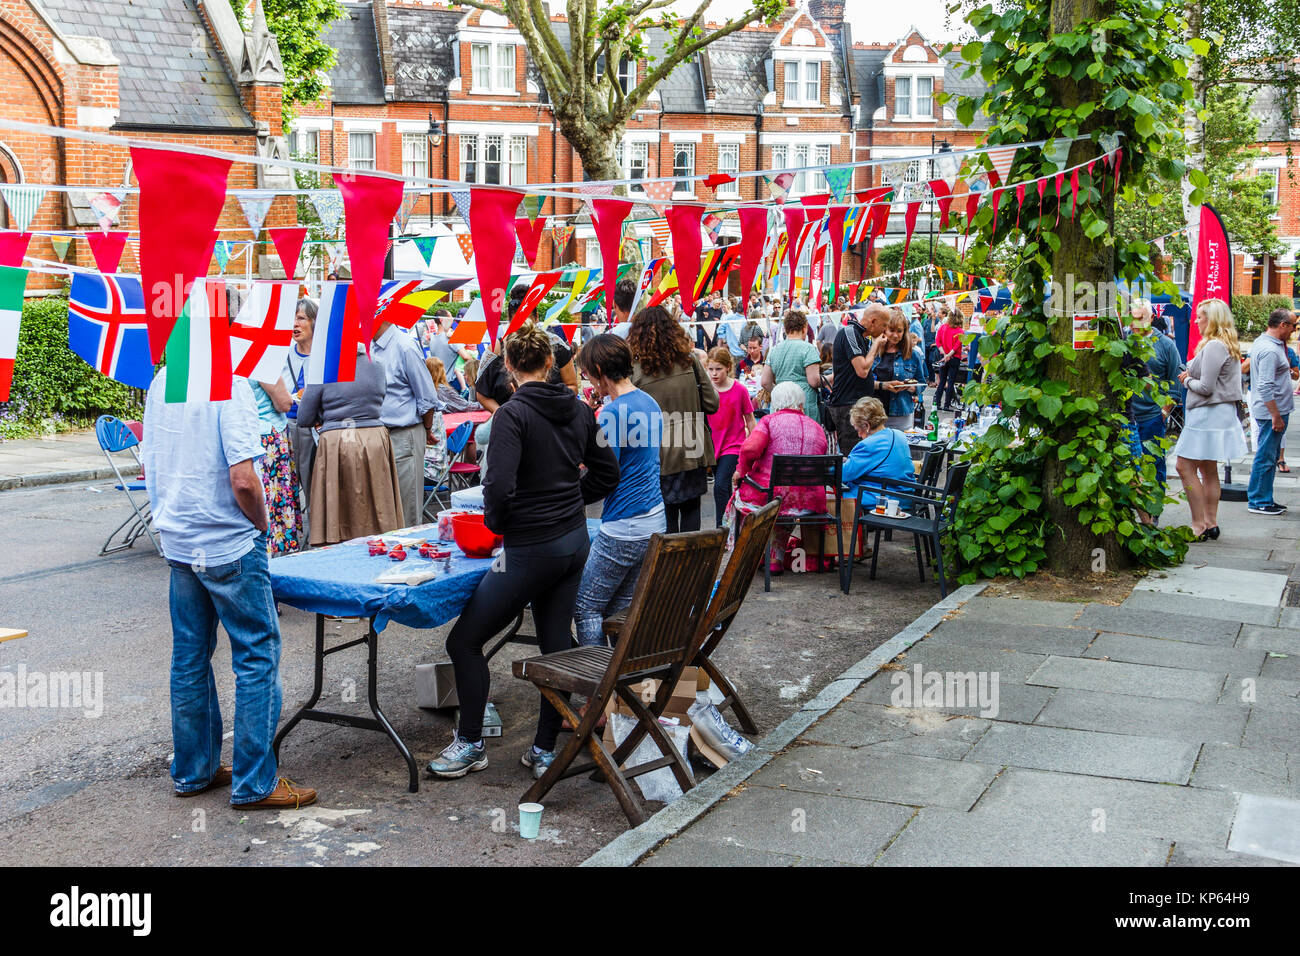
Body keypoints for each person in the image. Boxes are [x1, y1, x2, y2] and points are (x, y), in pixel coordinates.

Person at [427, 324, 619, 780]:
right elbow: (606, 472)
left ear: (510, 367)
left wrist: (501, 525)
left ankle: (472, 743)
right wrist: (571, 499)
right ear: (551, 364)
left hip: (532, 548)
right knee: (555, 648)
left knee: (464, 641)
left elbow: (498, 484)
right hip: (573, 543)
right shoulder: (578, 408)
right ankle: (544, 749)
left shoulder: (513, 414)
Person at [142, 370, 315, 809]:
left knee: (190, 656)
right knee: (256, 655)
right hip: (226, 541)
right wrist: (261, 522)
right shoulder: (229, 384)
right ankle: (255, 782)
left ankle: (195, 770)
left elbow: (152, 463)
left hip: (181, 541)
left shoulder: (164, 381)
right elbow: (243, 478)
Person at [571, 334, 664, 653]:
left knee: (586, 608)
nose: (587, 380)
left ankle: (597, 692)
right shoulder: (648, 401)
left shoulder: (612, 412)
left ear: (599, 369)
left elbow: (605, 472)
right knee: (618, 611)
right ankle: (623, 684)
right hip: (653, 519)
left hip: (623, 524)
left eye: (586, 373)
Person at [297, 347, 404, 546]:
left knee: (340, 509)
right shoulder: (377, 364)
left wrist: (325, 414)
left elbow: (304, 417)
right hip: (375, 438)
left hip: (339, 440)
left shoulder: (324, 366)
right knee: (377, 505)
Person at [628, 305, 719, 533]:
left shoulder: (635, 371)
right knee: (691, 510)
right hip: (692, 445)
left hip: (657, 452)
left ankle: (668, 568)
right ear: (673, 330)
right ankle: (692, 566)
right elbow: (712, 403)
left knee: (664, 515)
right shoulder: (689, 361)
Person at [729, 382, 829, 572]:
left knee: (744, 493)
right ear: (801, 404)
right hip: (810, 501)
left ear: (775, 403)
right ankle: (775, 557)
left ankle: (751, 555)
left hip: (772, 497)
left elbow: (750, 449)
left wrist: (741, 471)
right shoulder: (816, 427)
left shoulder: (769, 421)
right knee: (785, 503)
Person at [1173, 298, 1248, 540]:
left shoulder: (1215, 346)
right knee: (1208, 469)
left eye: (1200, 316)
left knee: (1184, 466)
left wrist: (1186, 380)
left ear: (1212, 319)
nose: (1196, 321)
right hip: (1218, 414)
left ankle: (1198, 525)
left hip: (1207, 414)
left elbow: (1205, 386)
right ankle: (1210, 522)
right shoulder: (1225, 345)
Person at [372, 319, 441, 528]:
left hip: (403, 434)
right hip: (381, 435)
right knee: (386, 509)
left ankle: (408, 558)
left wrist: (426, 429)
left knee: (406, 509)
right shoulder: (371, 346)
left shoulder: (404, 346)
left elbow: (428, 397)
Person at [476, 285, 580, 412]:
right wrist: (504, 414)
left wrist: (549, 405)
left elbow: (572, 386)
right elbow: (482, 393)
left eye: (528, 324)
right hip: (511, 423)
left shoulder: (555, 345)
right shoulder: (496, 349)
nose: (524, 331)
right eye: (518, 325)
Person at [1129, 298, 1184, 506]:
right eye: (1131, 319)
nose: (1134, 324)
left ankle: (1154, 510)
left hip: (1152, 416)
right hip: (1127, 415)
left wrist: (1163, 412)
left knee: (1154, 464)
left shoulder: (1165, 345)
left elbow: (1176, 381)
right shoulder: (1126, 342)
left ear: (1152, 318)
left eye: (1140, 318)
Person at [1246, 307, 1296, 516]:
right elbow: (1265, 386)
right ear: (1282, 325)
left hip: (1274, 410)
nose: (1294, 330)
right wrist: (1275, 415)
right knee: (1266, 456)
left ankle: (1263, 497)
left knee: (1269, 454)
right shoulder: (1270, 350)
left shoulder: (1266, 343)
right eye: (1293, 326)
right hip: (1271, 412)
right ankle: (1259, 500)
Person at [247, 375, 303, 557]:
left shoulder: (228, 357)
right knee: (273, 497)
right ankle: (273, 550)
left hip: (246, 433)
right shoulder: (261, 359)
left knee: (257, 496)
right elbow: (284, 404)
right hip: (268, 436)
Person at [828, 303, 889, 455]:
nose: (885, 331)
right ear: (873, 321)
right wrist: (875, 345)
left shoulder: (861, 337)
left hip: (856, 406)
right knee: (855, 455)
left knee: (864, 454)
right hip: (847, 407)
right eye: (884, 325)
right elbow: (862, 370)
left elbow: (858, 379)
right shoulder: (850, 332)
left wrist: (884, 385)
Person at [705, 347, 756, 528]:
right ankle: (730, 526)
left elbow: (750, 419)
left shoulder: (739, 389)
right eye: (710, 369)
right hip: (711, 447)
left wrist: (754, 445)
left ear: (728, 367)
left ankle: (722, 528)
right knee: (724, 488)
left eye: (718, 369)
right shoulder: (705, 391)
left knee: (719, 486)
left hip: (734, 445)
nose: (714, 373)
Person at [841, 397, 917, 511]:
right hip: (905, 494)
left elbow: (844, 474)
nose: (858, 435)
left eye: (857, 430)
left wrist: (829, 466)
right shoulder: (899, 434)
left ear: (867, 426)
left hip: (885, 498)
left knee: (832, 493)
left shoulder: (868, 445)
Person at [283, 298, 317, 523]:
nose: (295, 324)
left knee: (314, 486)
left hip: (314, 428)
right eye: (293, 318)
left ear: (314, 322)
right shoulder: (283, 355)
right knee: (285, 488)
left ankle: (317, 537)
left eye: (301, 318)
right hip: (286, 426)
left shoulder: (324, 356)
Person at [763, 310, 824, 427]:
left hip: (780, 404)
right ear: (804, 328)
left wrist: (780, 391)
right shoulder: (808, 349)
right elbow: (814, 381)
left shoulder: (774, 350)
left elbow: (765, 382)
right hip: (804, 405)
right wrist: (830, 378)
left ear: (786, 329)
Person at [873, 311, 928, 431]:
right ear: (884, 330)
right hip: (875, 413)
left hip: (901, 413)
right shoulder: (874, 351)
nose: (895, 335)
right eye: (891, 330)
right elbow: (864, 381)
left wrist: (910, 387)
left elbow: (922, 383)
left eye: (899, 331)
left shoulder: (913, 354)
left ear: (904, 332)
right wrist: (883, 386)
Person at [934, 309, 965, 410]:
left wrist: (944, 354)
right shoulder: (960, 331)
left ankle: (937, 403)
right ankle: (946, 405)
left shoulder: (943, 327)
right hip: (954, 358)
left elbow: (938, 341)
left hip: (943, 356)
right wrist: (949, 355)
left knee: (942, 381)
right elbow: (957, 346)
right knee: (951, 382)